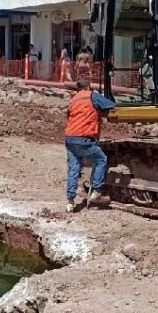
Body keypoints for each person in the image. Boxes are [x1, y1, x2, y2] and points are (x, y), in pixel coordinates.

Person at [64, 79, 116, 213]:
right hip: (84, 138)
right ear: (88, 86)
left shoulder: (73, 99)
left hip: (70, 138)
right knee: (101, 160)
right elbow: (110, 105)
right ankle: (97, 192)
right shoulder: (92, 95)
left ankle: (70, 201)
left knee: (74, 168)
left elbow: (70, 116)